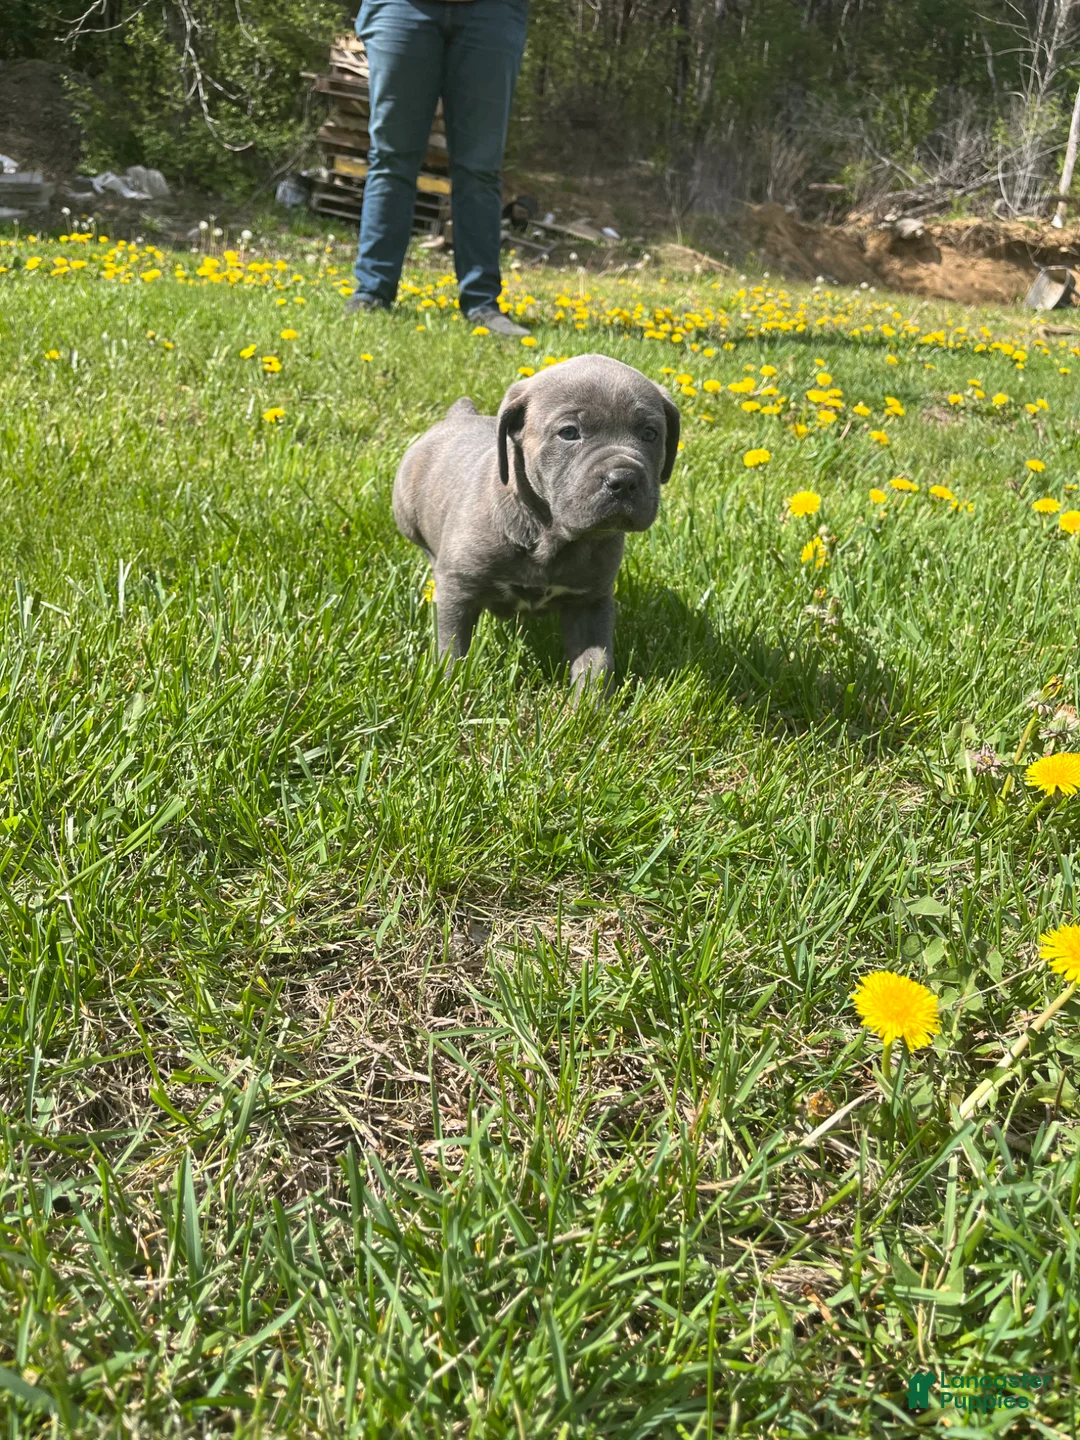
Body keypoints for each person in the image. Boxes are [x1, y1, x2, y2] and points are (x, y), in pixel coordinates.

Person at [346, 0, 530, 337]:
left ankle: (483, 304)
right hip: (401, 7)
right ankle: (371, 292)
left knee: (480, 168)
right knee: (391, 158)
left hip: (492, 11)